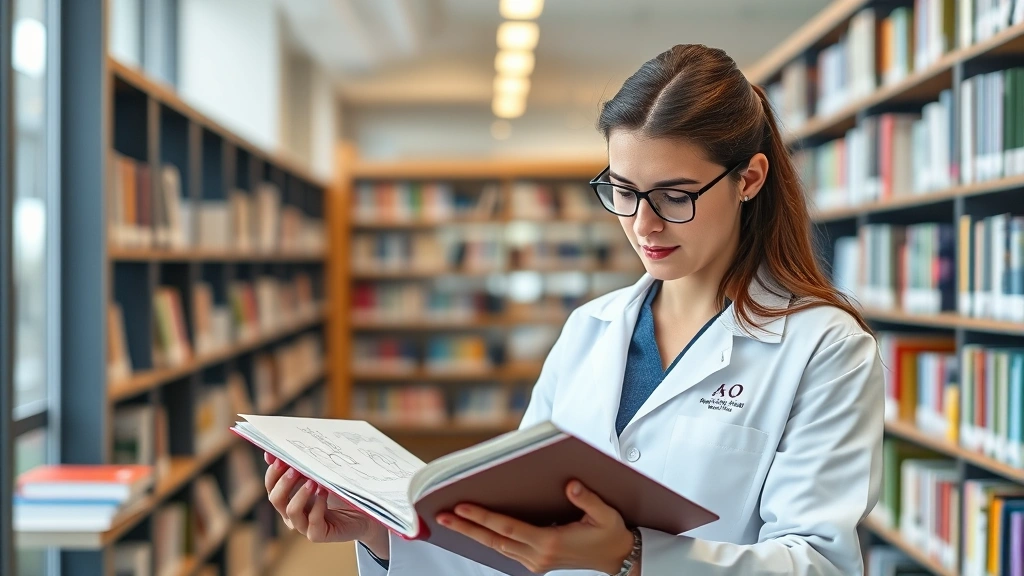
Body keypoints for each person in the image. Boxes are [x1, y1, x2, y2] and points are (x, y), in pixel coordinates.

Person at [264, 43, 884, 575]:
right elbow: (515, 534)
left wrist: (635, 557)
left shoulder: (825, 348)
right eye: (622, 190)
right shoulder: (591, 330)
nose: (643, 224)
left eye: (674, 195)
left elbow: (819, 562)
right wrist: (378, 533)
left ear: (748, 179)